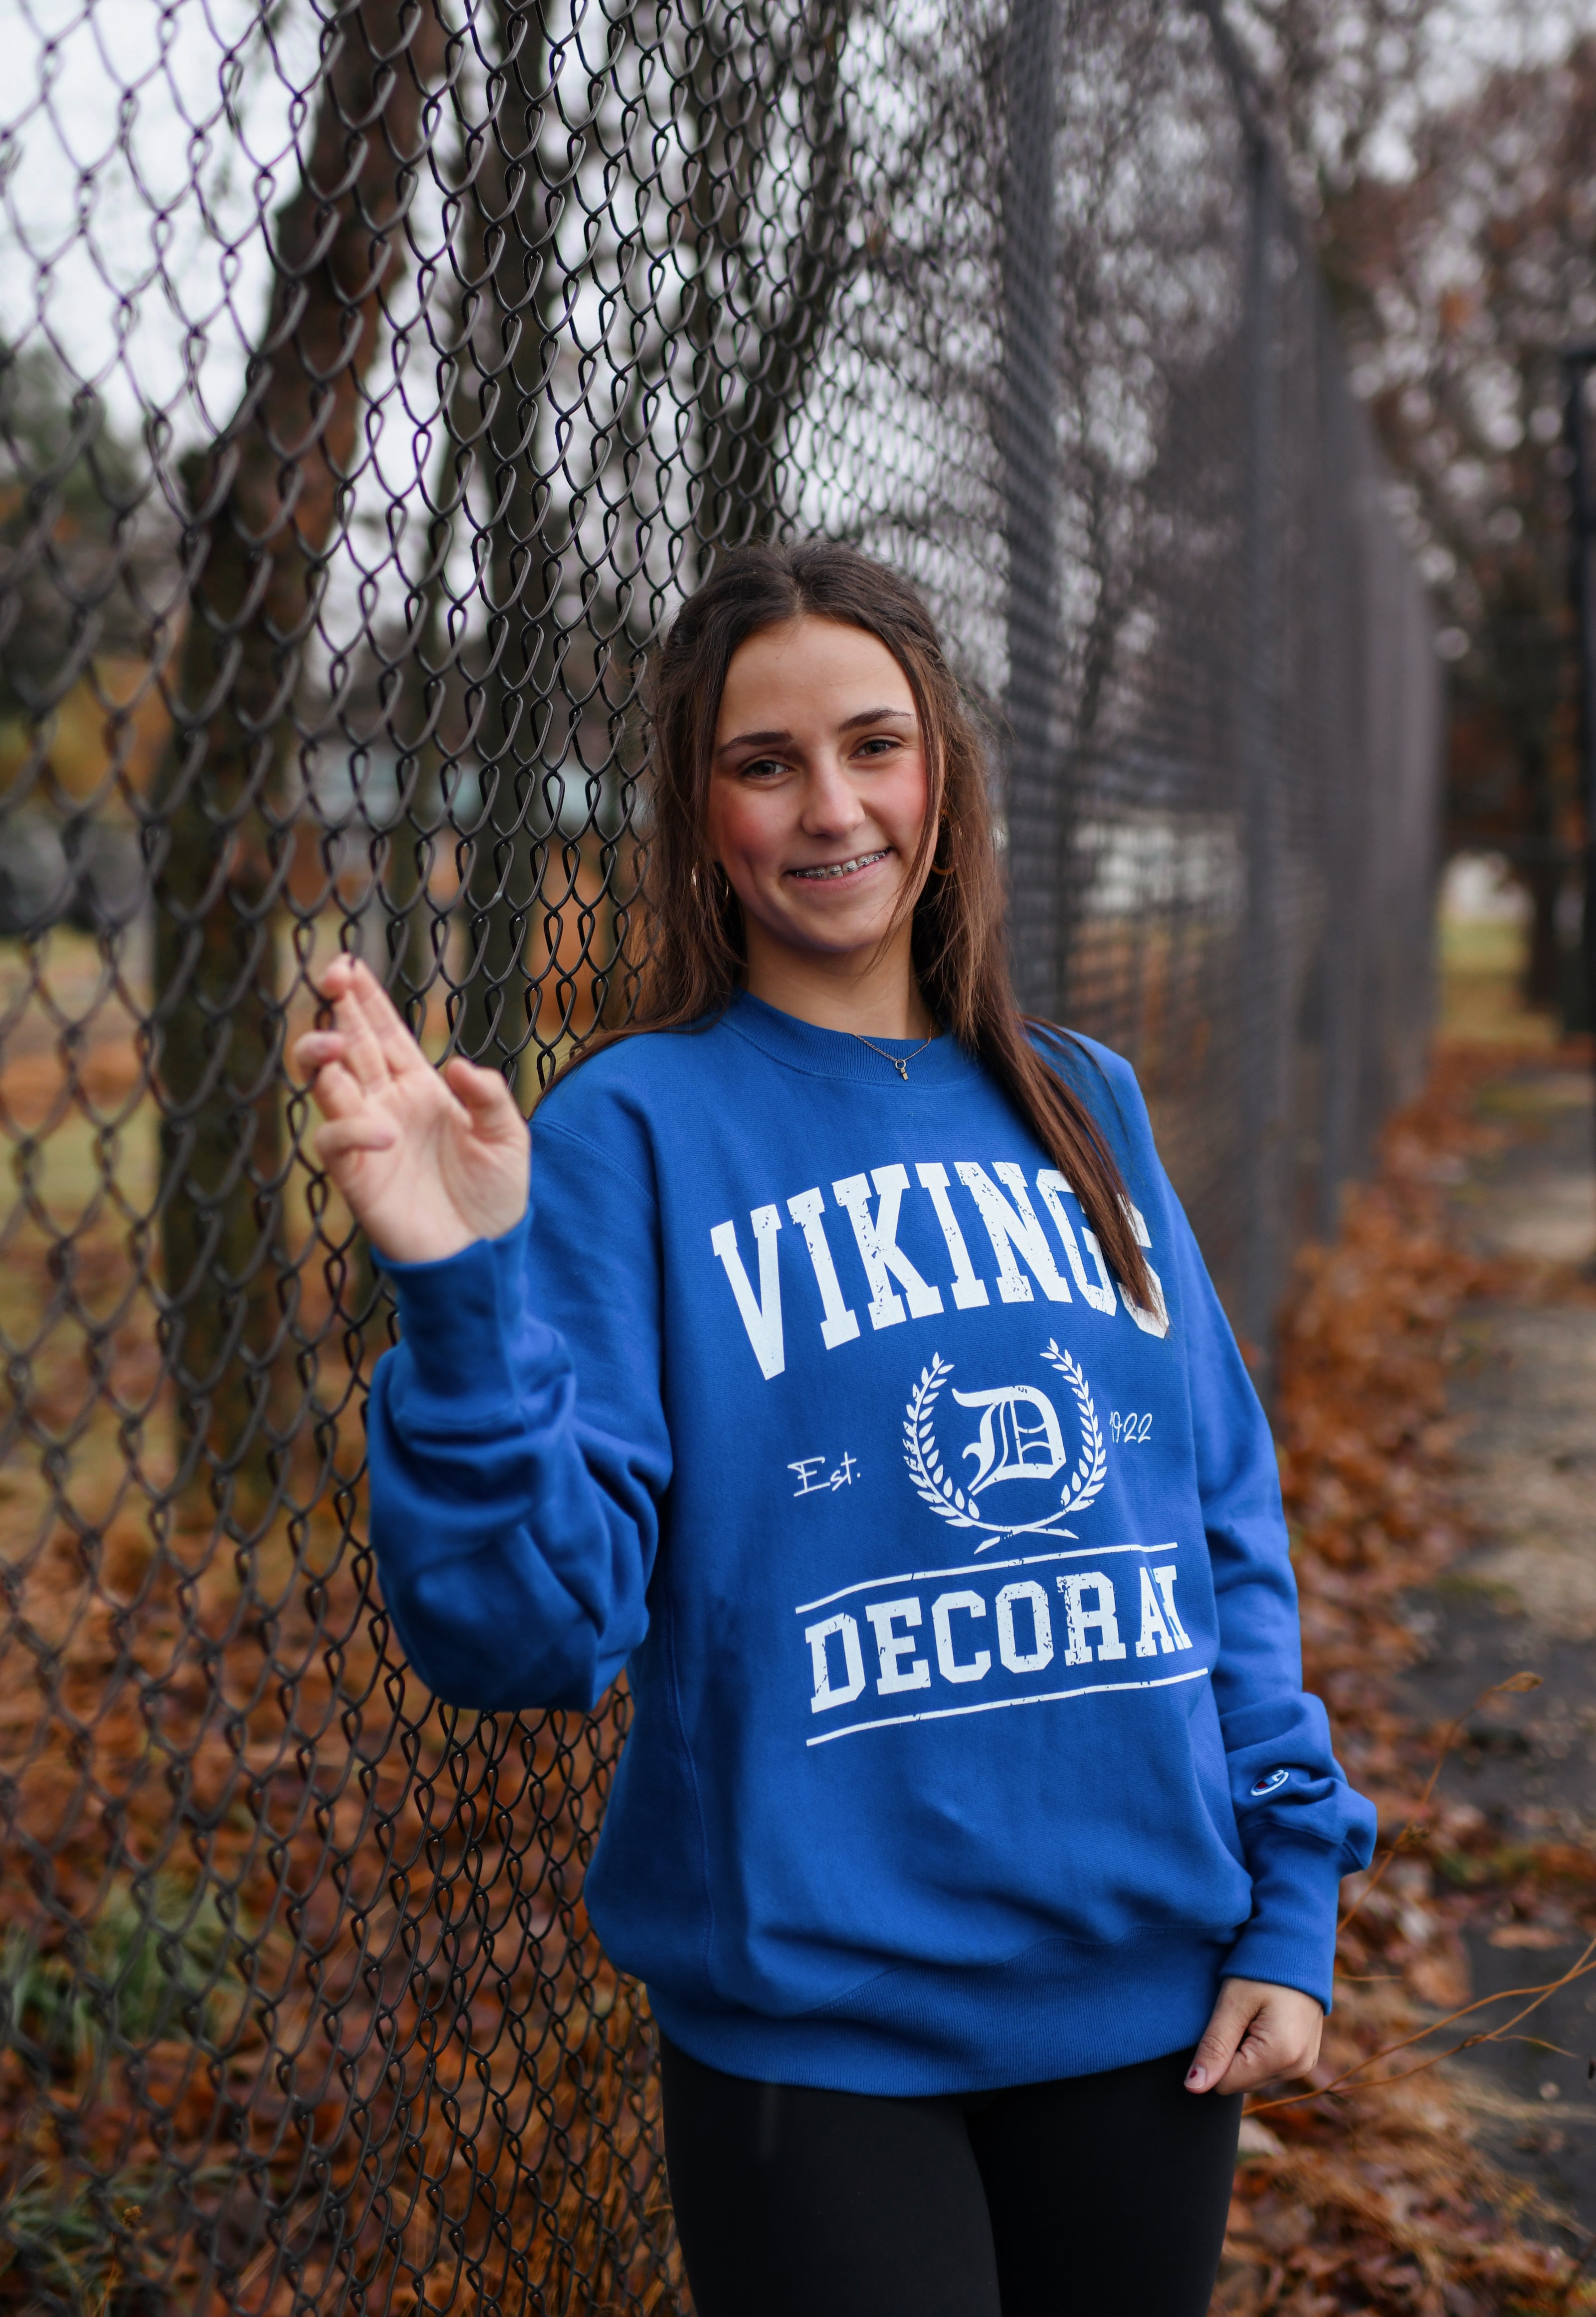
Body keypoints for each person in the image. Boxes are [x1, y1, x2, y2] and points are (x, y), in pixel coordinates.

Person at [295, 542, 1376, 2317]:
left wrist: (1290, 1894)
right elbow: (523, 1636)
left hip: (1148, 1999)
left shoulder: (1080, 1100)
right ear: (698, 811)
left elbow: (1218, 1536)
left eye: (873, 745)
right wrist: (460, 1294)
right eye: (763, 763)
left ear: (940, 767)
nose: (830, 808)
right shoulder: (636, 1131)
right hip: (817, 2045)